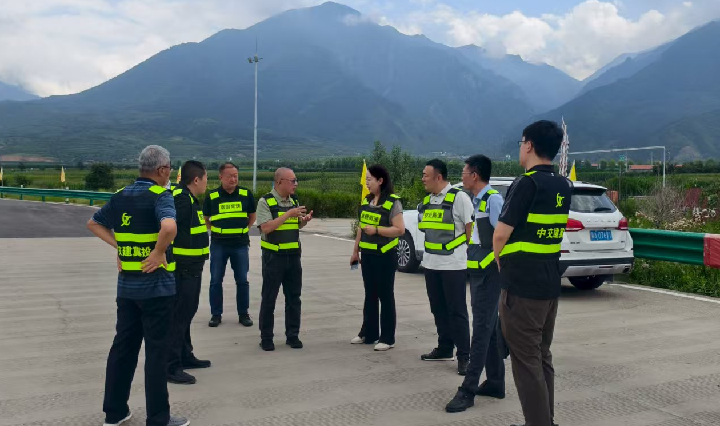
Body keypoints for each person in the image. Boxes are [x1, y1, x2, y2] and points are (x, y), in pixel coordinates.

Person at [87, 145, 189, 426]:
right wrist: (158, 252)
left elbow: (93, 223)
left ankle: (114, 412)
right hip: (157, 289)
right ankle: (158, 418)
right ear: (162, 170)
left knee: (123, 349)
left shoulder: (120, 195)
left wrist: (120, 248)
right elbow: (169, 227)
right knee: (156, 353)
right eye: (169, 169)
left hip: (127, 289)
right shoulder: (161, 195)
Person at [494, 120, 572, 426]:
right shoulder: (563, 184)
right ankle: (545, 420)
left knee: (526, 361)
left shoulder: (526, 183)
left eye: (521, 143)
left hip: (522, 287)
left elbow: (500, 235)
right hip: (549, 283)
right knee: (541, 356)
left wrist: (501, 264)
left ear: (528, 145)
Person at [446, 154, 506, 412]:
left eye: (464, 172)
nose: (462, 176)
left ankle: (468, 390)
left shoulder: (493, 200)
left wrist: (493, 268)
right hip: (480, 273)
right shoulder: (477, 200)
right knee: (489, 329)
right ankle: (495, 382)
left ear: (475, 174)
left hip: (490, 274)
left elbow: (502, 239)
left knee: (480, 330)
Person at [418, 159, 473, 375]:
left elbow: (470, 230)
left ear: (438, 177)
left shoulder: (459, 198)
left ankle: (464, 356)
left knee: (457, 311)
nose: (422, 179)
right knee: (438, 308)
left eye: (425, 175)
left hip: (453, 265)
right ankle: (445, 347)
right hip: (431, 264)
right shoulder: (427, 201)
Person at [256, 167, 313, 351]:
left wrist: (304, 221)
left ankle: (292, 335)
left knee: (294, 298)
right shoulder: (266, 202)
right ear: (280, 182)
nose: (295, 184)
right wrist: (288, 214)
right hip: (274, 258)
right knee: (269, 298)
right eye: (292, 181)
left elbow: (295, 225)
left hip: (293, 257)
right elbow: (265, 227)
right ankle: (266, 338)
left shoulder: (294, 201)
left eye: (296, 181)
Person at [349, 165, 405, 351]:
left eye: (369, 179)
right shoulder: (367, 201)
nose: (367, 183)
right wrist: (355, 251)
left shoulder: (392, 203)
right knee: (370, 294)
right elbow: (361, 227)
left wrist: (378, 230)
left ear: (381, 181)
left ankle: (387, 338)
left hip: (385, 256)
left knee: (385, 295)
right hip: (368, 255)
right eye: (366, 179)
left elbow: (399, 230)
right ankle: (369, 333)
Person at [167, 161, 211, 385]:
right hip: (183, 268)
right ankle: (171, 366)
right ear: (196, 180)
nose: (206, 183)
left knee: (187, 313)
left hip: (192, 267)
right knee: (179, 316)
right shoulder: (182, 201)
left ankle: (185, 355)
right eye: (205, 179)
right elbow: (168, 231)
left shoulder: (189, 199)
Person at [203, 162, 256, 328]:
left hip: (240, 244)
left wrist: (244, 229)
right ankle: (216, 315)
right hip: (219, 244)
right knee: (215, 280)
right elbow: (206, 219)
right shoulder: (212, 196)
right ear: (220, 177)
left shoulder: (246, 194)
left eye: (236, 176)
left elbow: (252, 216)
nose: (233, 179)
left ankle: (243, 314)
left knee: (242, 280)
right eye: (230, 176)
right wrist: (217, 231)